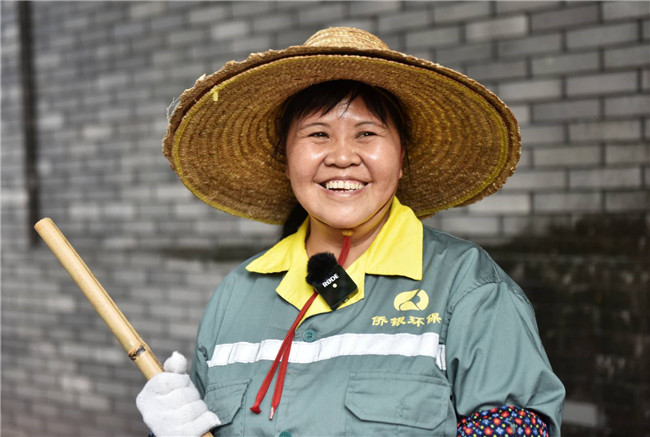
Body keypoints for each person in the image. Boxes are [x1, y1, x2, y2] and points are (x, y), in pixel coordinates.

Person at [136, 27, 565, 436]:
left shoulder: (468, 288)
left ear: (402, 158)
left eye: (366, 133)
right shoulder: (236, 294)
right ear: (285, 159)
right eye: (318, 134)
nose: (342, 157)